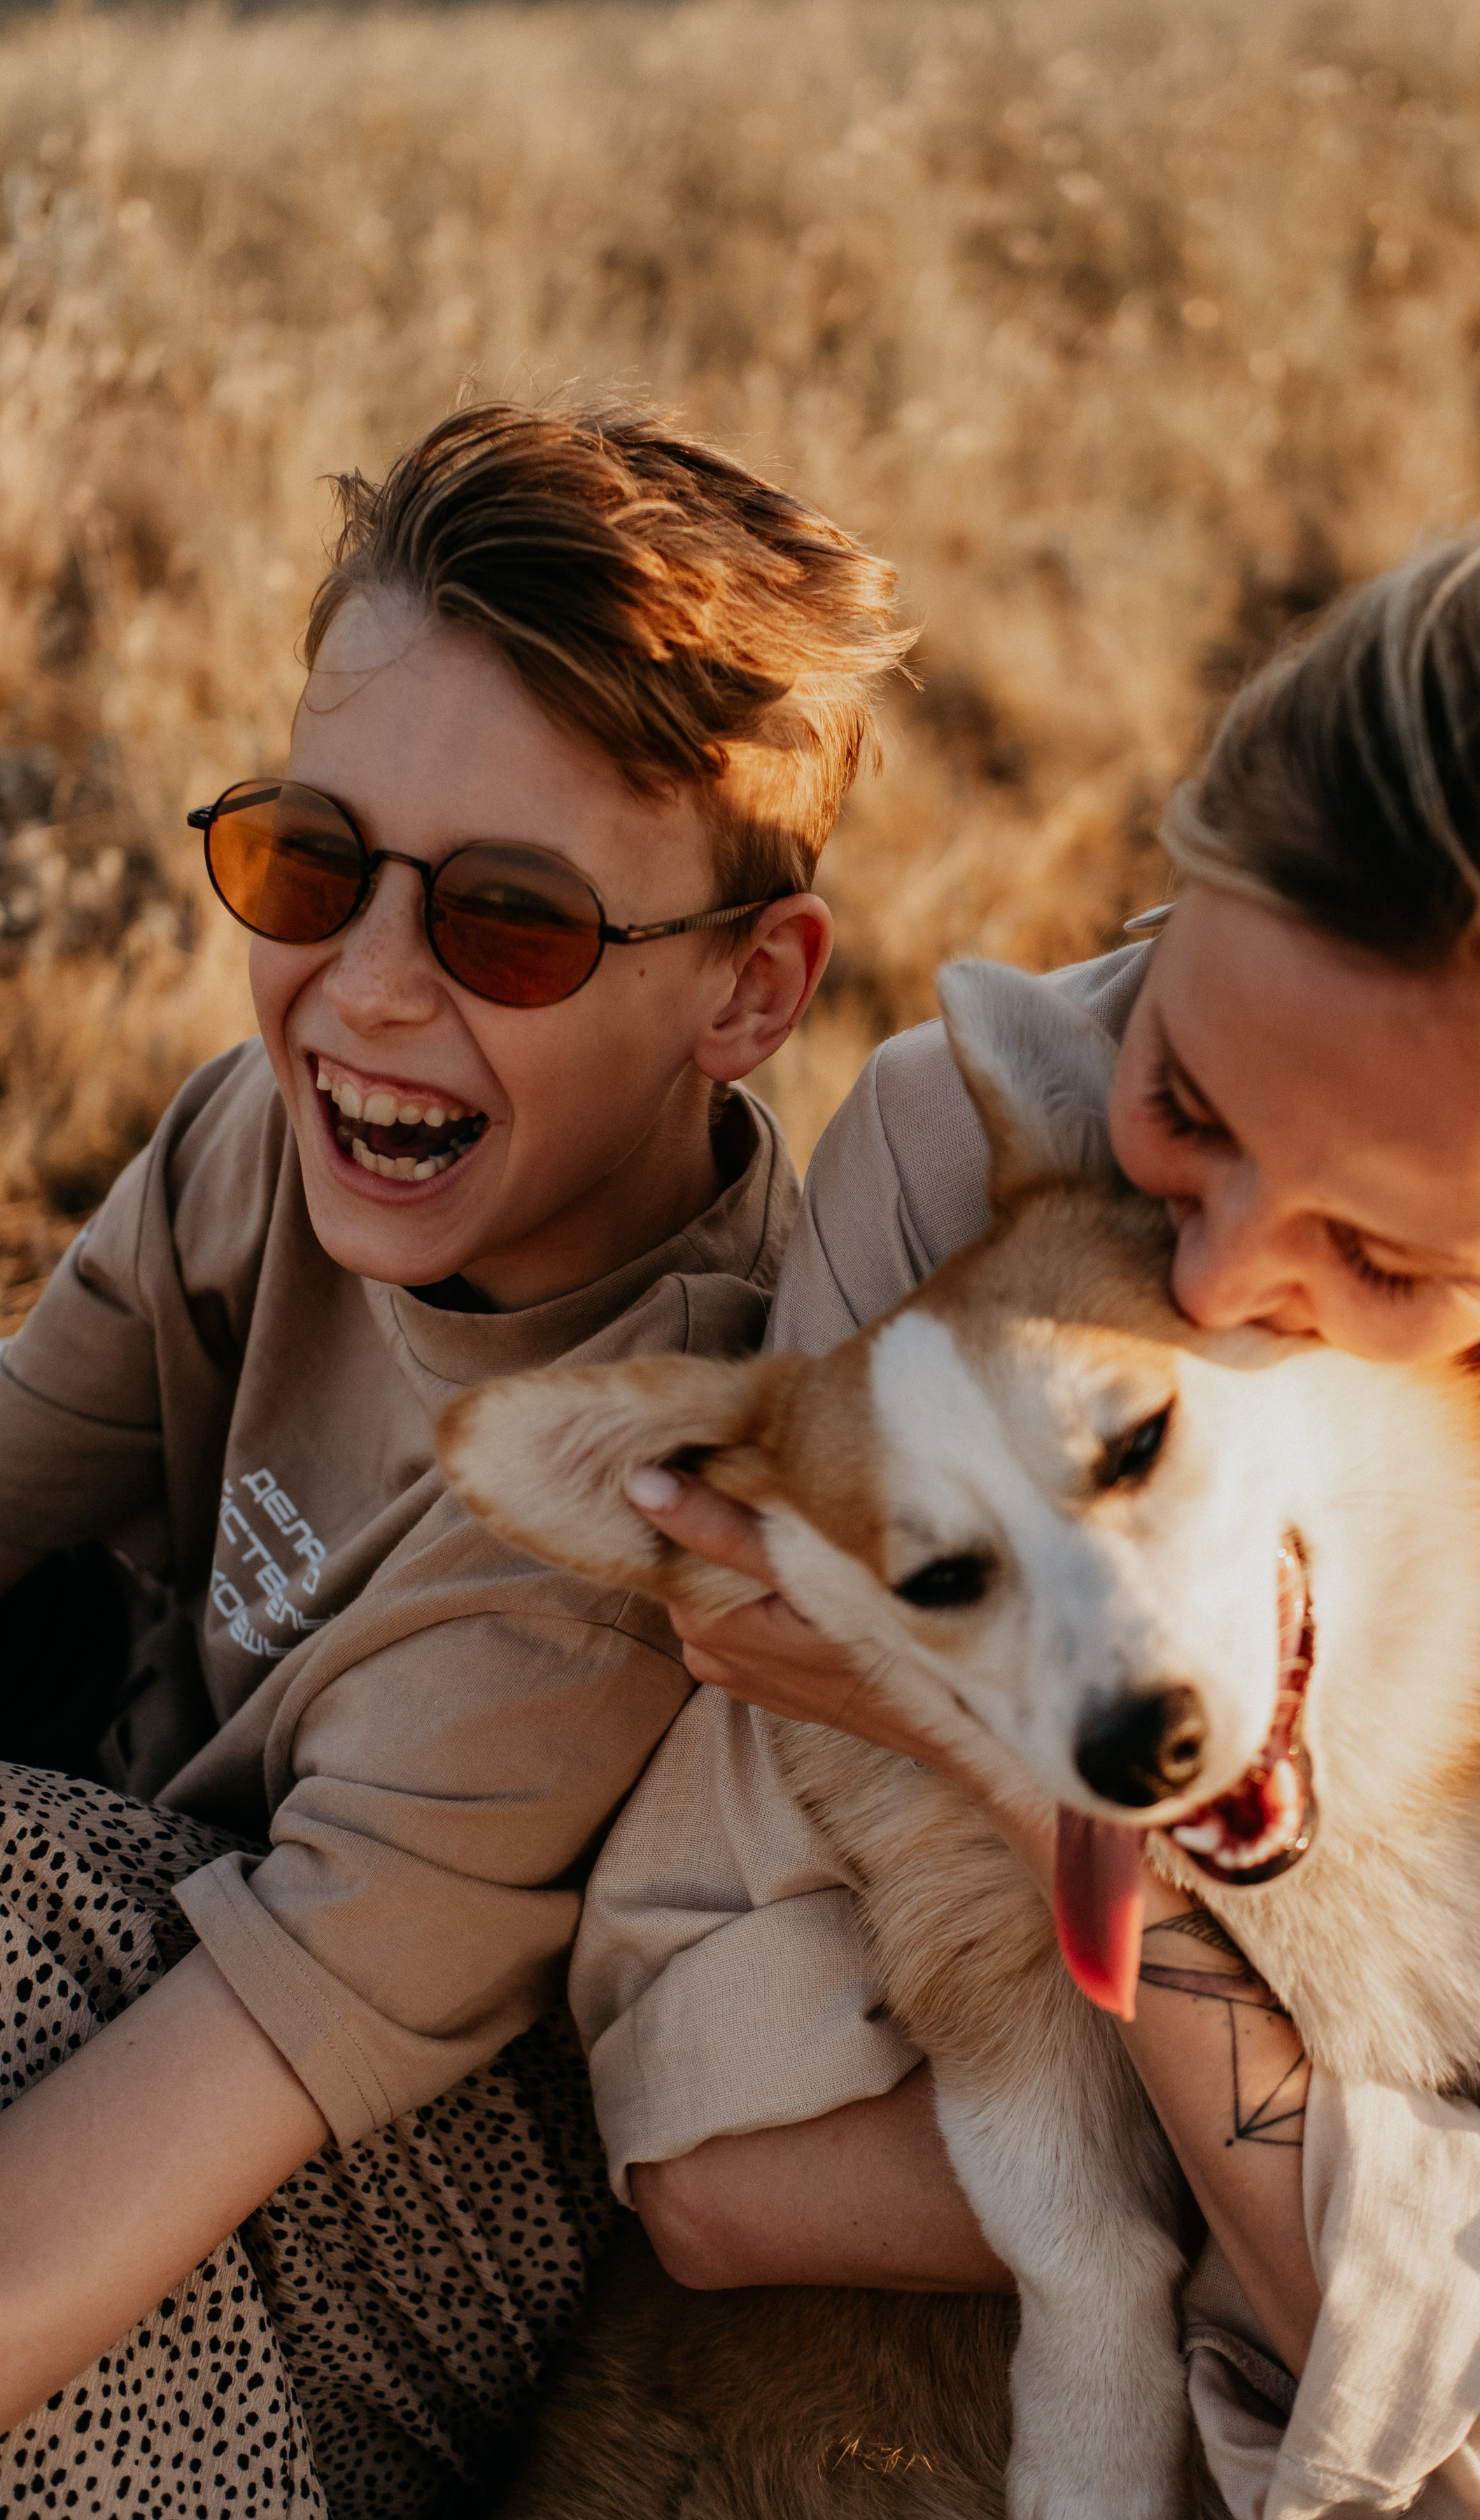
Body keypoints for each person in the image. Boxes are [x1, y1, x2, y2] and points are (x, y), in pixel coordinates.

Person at [572, 479, 1480, 2519]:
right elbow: (716, 2142)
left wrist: (1023, 1756)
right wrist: (1374, 2224)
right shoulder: (971, 1144)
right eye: (1189, 1105)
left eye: (1385, 1252)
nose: (1201, 1287)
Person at [0, 398, 910, 2516]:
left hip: (378, 2282)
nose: (368, 991)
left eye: (509, 923)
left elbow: (120, 2183)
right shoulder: (259, 1145)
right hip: (162, 1906)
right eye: (315, 865)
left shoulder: (620, 1525)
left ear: (749, 994)